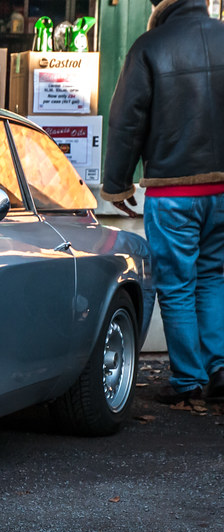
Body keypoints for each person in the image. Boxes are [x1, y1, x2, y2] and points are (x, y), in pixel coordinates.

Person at [101, 0, 224, 404]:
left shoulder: (149, 46)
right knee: (214, 277)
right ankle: (220, 368)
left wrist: (117, 186)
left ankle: (188, 381)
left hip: (173, 193)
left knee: (176, 285)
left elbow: (126, 121)